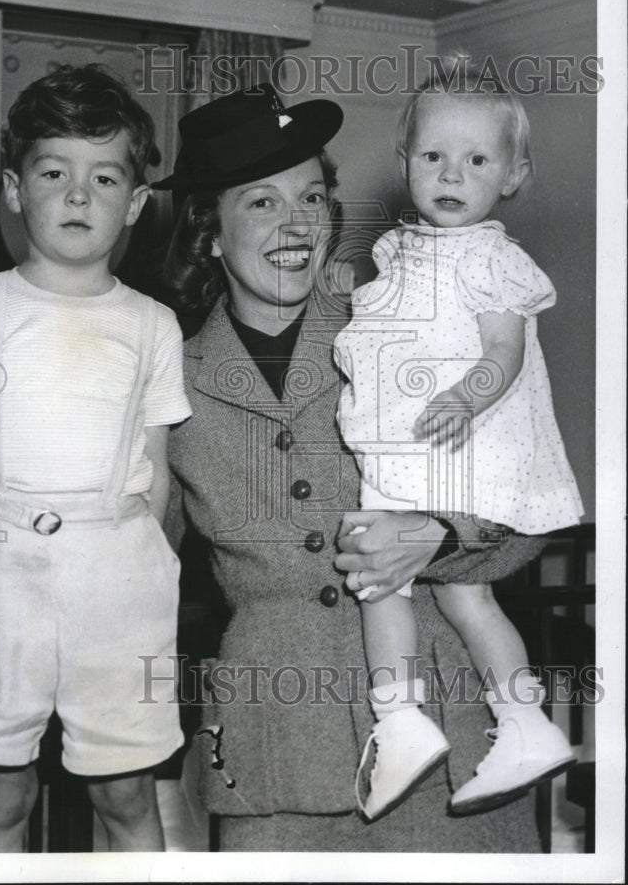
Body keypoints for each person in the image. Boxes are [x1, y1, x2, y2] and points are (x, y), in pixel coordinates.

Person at [152, 82, 544, 851]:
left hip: (452, 746)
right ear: (209, 230)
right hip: (274, 759)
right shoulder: (167, 377)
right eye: (260, 203)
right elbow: (139, 553)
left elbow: (527, 517)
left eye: (310, 196)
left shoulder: (414, 320)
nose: (295, 222)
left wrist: (438, 536)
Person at [0, 64, 191, 852]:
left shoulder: (153, 325)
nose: (76, 195)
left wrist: (146, 580)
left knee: (130, 798)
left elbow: (156, 472)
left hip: (118, 580)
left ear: (133, 204)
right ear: (14, 189)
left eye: (104, 178)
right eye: (53, 172)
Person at [333, 61, 583, 821]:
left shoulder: (490, 257)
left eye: (476, 160)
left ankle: (491, 721)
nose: (451, 173)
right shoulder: (397, 254)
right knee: (406, 584)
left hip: (456, 447)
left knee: (430, 586)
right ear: (404, 160)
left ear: (512, 176)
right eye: (433, 155)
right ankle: (432, 721)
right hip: (400, 447)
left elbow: (502, 354)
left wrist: (463, 397)